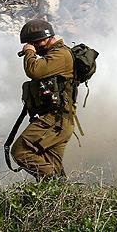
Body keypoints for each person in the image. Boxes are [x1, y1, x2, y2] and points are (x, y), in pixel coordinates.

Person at [11, 19, 75, 180]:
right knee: (52, 164)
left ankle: (52, 182)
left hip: (55, 120)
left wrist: (29, 52)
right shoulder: (54, 55)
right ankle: (60, 197)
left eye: (34, 42)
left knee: (20, 151)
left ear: (44, 38)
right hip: (57, 121)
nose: (32, 46)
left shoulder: (61, 54)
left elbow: (35, 71)